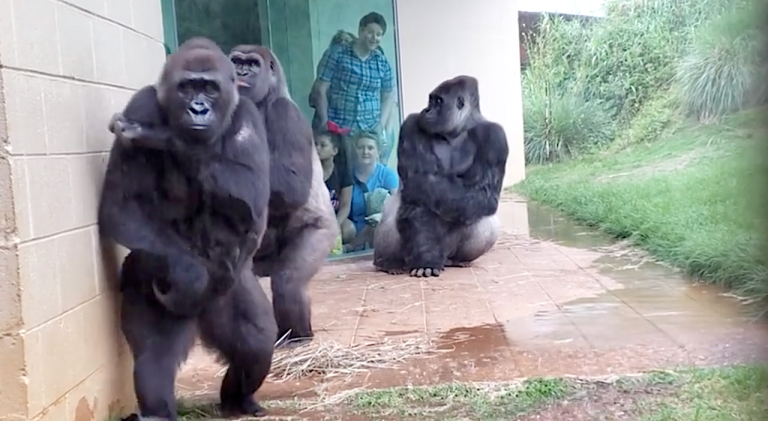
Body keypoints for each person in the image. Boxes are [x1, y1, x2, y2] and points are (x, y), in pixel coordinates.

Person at [311, 12, 397, 177]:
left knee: (367, 176)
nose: (374, 37)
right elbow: (320, 89)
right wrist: (324, 121)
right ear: (360, 30)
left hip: (368, 130)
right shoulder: (336, 54)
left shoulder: (381, 62)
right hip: (339, 127)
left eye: (379, 35)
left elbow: (389, 94)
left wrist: (380, 125)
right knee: (339, 176)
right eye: (370, 32)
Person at [344, 131, 399, 249]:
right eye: (361, 148)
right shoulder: (347, 176)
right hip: (352, 232)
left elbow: (397, 206)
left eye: (370, 148)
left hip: (379, 233)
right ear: (355, 150)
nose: (365, 152)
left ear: (378, 151)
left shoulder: (387, 175)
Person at [314, 128, 354, 243]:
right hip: (315, 217)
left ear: (334, 151)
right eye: (315, 144)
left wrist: (335, 224)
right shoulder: (310, 171)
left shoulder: (343, 173)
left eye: (323, 145)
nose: (317, 149)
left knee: (348, 229)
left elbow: (345, 205)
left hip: (334, 217)